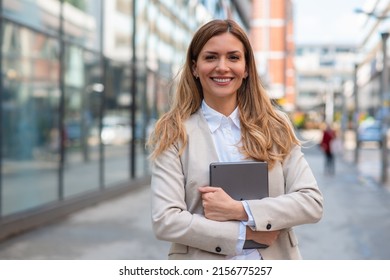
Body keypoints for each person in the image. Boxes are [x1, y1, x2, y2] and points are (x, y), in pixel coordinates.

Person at [147, 19, 323, 260]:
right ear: (195, 67)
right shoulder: (173, 132)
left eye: (233, 57)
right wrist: (245, 234)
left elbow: (311, 202)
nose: (222, 67)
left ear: (247, 67)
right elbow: (166, 220)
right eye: (210, 57)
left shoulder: (275, 127)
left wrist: (240, 210)